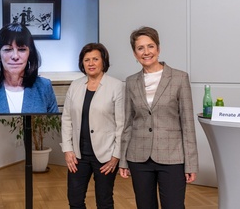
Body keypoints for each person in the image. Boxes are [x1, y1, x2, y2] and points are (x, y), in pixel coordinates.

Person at [119, 26, 198, 209]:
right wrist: (123, 159)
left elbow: (188, 124)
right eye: (140, 48)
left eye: (150, 46)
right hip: (138, 157)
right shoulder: (131, 81)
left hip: (172, 157)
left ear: (158, 49)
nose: (146, 52)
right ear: (134, 53)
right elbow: (128, 123)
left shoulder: (179, 78)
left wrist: (191, 163)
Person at [61, 42, 125, 209]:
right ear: (82, 63)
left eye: (95, 59)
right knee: (74, 201)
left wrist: (116, 156)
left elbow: (122, 124)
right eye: (86, 59)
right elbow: (66, 118)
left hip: (105, 156)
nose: (91, 63)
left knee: (104, 202)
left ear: (103, 61)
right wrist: (68, 149)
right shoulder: (75, 85)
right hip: (78, 155)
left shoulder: (116, 86)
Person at [0, 23, 58, 114]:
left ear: (30, 54)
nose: (15, 56)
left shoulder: (44, 87)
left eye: (22, 49)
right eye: (8, 49)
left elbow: (54, 127)